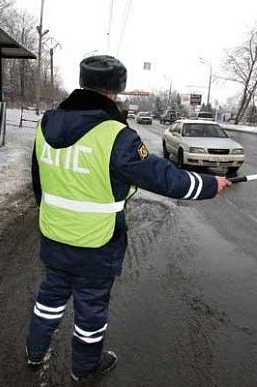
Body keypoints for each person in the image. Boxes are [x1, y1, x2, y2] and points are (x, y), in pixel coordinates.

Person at [26, 55, 231, 382]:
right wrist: (210, 184)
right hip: (97, 242)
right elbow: (167, 179)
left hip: (53, 235)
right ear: (115, 92)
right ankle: (84, 367)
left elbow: (38, 180)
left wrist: (50, 215)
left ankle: (34, 353)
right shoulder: (115, 135)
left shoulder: (46, 123)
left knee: (49, 299)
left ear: (82, 82)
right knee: (90, 311)